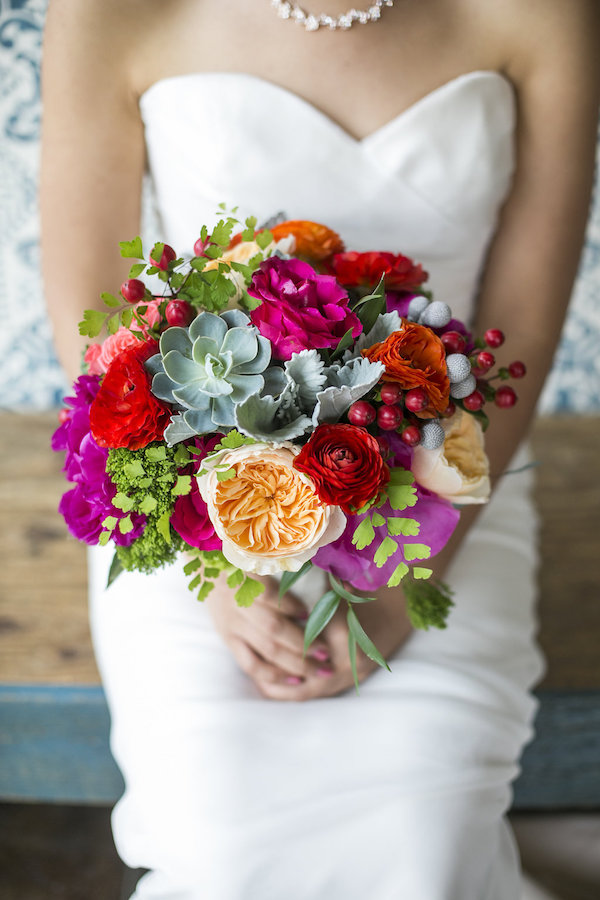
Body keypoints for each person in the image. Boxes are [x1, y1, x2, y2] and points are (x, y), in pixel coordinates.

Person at [41, 1, 599, 897]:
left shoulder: (546, 13)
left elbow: (524, 311)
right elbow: (89, 304)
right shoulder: (105, 11)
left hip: (445, 479)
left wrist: (410, 571)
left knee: (427, 833)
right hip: (191, 486)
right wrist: (219, 569)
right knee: (216, 833)